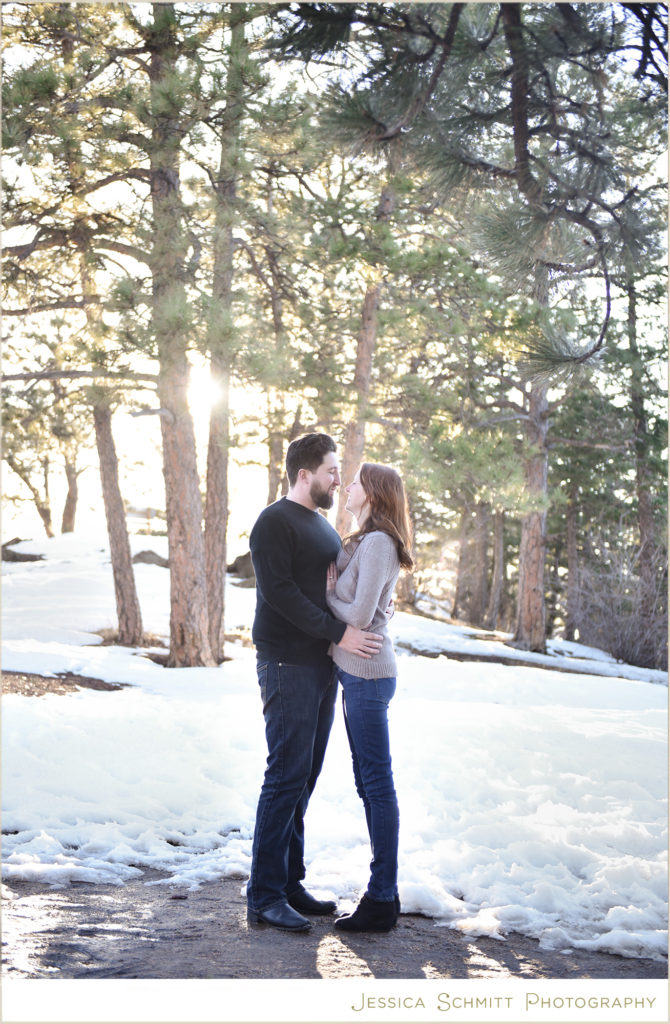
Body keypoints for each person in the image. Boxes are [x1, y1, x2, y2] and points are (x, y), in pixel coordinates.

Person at [246, 433, 384, 932]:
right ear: (304, 474)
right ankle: (262, 895)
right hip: (286, 663)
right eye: (329, 470)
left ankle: (288, 882)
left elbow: (333, 585)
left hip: (322, 665)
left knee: (304, 776)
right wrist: (340, 632)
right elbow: (280, 594)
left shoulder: (322, 525)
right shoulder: (273, 522)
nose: (336, 479)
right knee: (284, 773)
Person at [325, 462, 413, 933]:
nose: (348, 487)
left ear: (374, 495)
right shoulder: (365, 540)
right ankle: (384, 894)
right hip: (356, 675)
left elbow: (357, 613)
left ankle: (382, 898)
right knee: (369, 785)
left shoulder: (378, 543)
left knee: (377, 786)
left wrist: (325, 597)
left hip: (369, 676)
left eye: (356, 482)